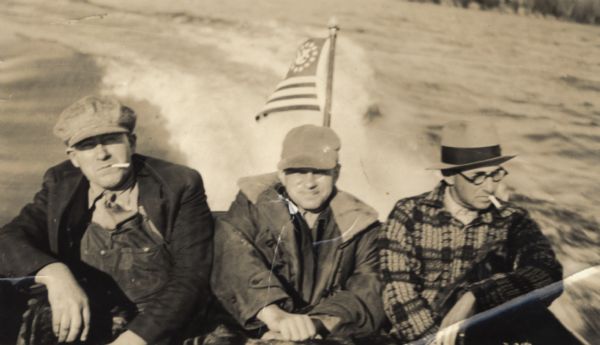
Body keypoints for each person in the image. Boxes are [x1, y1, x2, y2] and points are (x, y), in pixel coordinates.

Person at [0, 95, 214, 345]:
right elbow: (9, 237)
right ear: (74, 157)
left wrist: (135, 339)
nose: (102, 155)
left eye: (111, 140)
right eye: (88, 145)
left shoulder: (178, 183)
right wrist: (55, 275)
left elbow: (191, 277)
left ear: (131, 143)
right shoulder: (60, 183)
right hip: (93, 317)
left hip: (164, 325)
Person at [379, 120, 574, 345]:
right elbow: (398, 295)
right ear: (449, 175)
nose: (490, 187)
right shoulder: (408, 215)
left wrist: (476, 295)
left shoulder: (512, 219)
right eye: (479, 176)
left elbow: (547, 273)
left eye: (496, 174)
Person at [210, 124, 384, 342]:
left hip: (326, 334)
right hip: (252, 329)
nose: (310, 183)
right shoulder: (250, 206)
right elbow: (234, 259)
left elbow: (367, 292)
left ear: (336, 173)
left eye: (320, 172)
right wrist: (273, 315)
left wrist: (315, 323)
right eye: (299, 171)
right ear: (282, 174)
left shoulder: (363, 225)